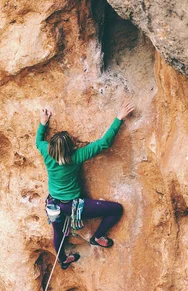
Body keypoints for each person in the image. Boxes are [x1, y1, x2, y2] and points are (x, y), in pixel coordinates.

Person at [36, 101, 134, 270]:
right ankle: (97, 236)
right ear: (70, 149)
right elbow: (104, 143)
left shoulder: (46, 151)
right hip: (71, 206)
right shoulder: (76, 157)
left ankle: (63, 260)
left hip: (53, 204)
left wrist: (43, 123)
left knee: (58, 233)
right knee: (116, 209)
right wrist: (119, 118)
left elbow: (38, 140)